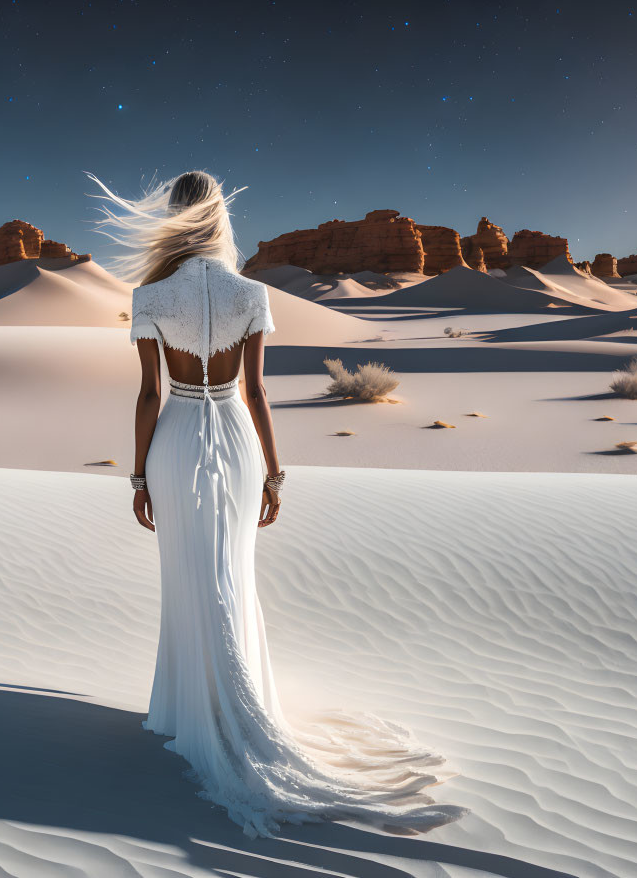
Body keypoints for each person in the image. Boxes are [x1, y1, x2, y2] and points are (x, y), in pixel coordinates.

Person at [85, 169, 468, 838]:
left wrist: (139, 477)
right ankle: (237, 702)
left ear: (175, 218)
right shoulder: (251, 293)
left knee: (188, 570)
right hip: (235, 437)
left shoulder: (150, 295)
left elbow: (148, 394)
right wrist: (274, 474)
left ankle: (189, 711)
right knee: (230, 568)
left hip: (176, 436)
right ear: (218, 218)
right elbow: (257, 392)